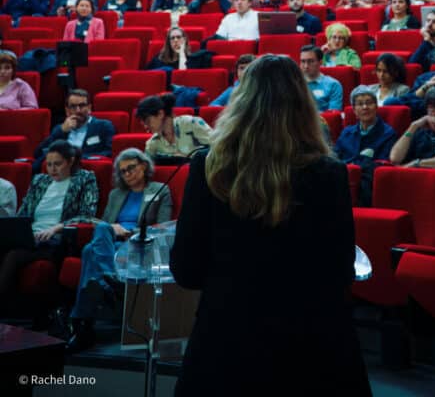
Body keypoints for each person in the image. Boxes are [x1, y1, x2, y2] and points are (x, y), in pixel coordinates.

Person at [169, 54, 371, 397]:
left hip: (226, 342)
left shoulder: (208, 167)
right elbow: (339, 270)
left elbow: (187, 271)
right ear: (302, 103)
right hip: (310, 346)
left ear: (241, 98)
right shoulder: (329, 173)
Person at [66, 148, 173, 353]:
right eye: (122, 171)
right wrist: (113, 229)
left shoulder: (160, 190)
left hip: (137, 243)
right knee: (102, 231)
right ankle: (109, 277)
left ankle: (82, 324)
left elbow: (162, 227)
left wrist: (129, 232)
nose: (127, 174)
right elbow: (104, 224)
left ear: (143, 165)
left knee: (90, 250)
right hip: (110, 242)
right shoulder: (116, 194)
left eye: (131, 168)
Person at [0, 141, 98, 299]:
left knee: (14, 255)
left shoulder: (85, 179)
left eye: (58, 164)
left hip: (56, 239)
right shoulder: (40, 180)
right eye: (49, 164)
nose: (52, 169)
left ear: (70, 161)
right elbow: (23, 212)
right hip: (30, 236)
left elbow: (87, 215)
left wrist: (56, 228)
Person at [32, 89, 115, 174]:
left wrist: (79, 158)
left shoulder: (104, 126)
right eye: (73, 107)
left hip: (87, 171)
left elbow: (110, 152)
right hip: (58, 172)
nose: (78, 110)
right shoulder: (60, 129)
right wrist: (61, 131)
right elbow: (39, 152)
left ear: (89, 108)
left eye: (82, 105)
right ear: (67, 111)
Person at [335, 86, 396, 169]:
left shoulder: (388, 133)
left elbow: (383, 165)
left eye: (369, 103)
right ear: (354, 110)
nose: (365, 107)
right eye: (360, 104)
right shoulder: (346, 132)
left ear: (376, 107)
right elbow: (335, 158)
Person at [137, 93, 211, 159]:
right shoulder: (152, 144)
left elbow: (217, 148)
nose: (145, 126)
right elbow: (146, 169)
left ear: (160, 114)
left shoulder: (192, 123)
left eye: (147, 121)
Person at [300, 45, 343, 111]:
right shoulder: (294, 84)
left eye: (311, 61)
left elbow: (333, 115)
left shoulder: (333, 85)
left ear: (320, 62)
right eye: (303, 61)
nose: (306, 66)